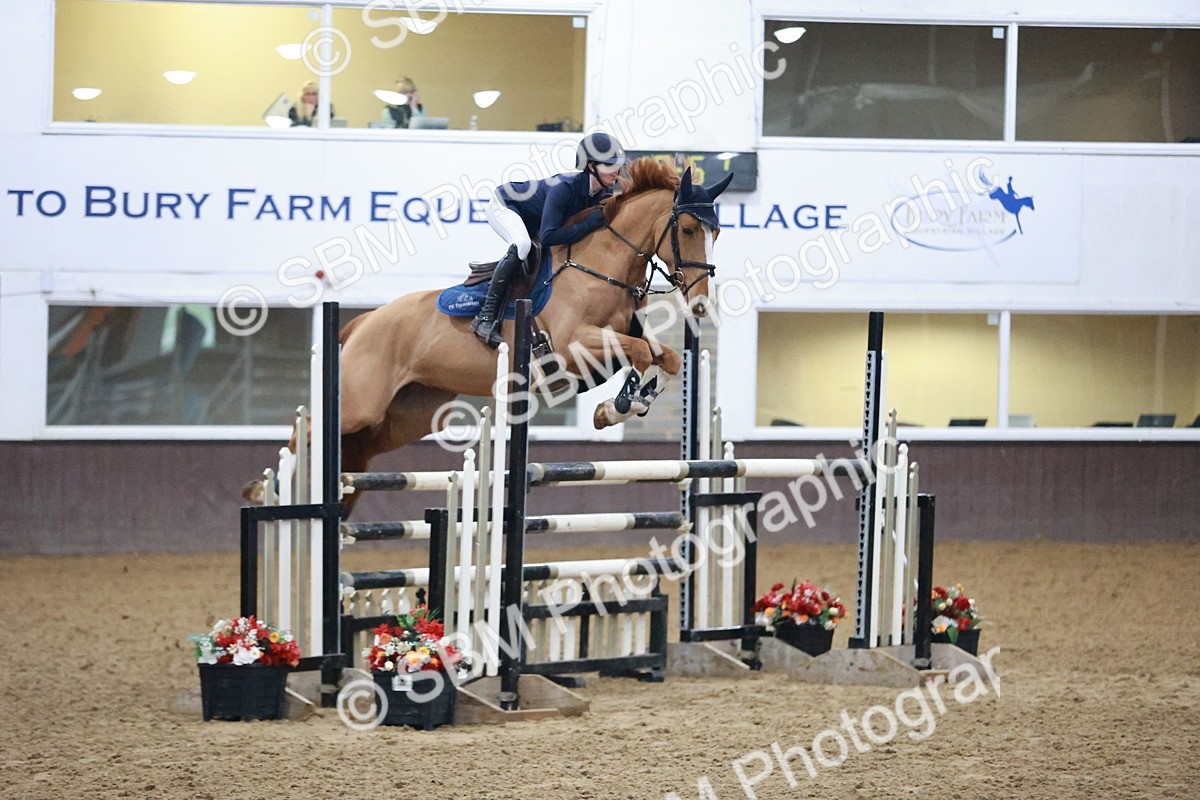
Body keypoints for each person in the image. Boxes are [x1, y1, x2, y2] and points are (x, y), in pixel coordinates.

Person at [470, 131, 626, 348]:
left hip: (535, 219)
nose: (615, 172)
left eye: (617, 165)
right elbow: (549, 236)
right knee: (523, 245)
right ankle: (485, 318)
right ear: (591, 167)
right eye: (609, 165)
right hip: (505, 205)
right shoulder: (565, 188)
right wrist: (589, 224)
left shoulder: (603, 192)